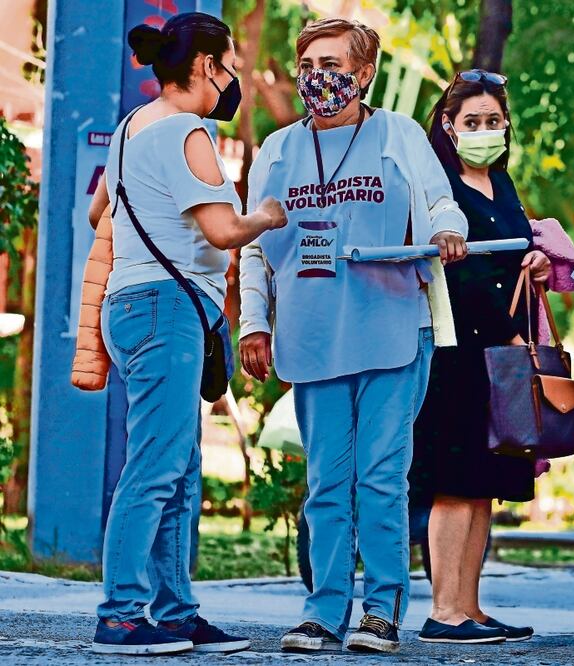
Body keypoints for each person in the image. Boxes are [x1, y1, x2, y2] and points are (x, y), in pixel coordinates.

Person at [237, 18, 468, 655]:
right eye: (308, 64)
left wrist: (447, 232)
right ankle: (323, 611)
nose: (318, 77)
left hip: (392, 330)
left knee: (382, 479)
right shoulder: (279, 149)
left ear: (363, 74)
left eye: (332, 63)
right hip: (312, 337)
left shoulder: (396, 133)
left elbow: (440, 201)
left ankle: (382, 610)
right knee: (326, 484)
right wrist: (254, 323)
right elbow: (255, 247)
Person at [86, 12, 286, 655]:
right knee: (155, 465)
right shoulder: (188, 131)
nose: (232, 80)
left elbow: (99, 210)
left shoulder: (128, 130)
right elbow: (224, 232)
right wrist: (267, 214)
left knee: (178, 466)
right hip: (165, 308)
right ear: (205, 66)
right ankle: (120, 611)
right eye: (230, 66)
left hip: (134, 306)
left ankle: (174, 610)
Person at [408, 69, 552, 645]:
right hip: (460, 351)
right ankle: (443, 609)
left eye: (494, 121)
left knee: (487, 481)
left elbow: (516, 253)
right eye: (473, 122)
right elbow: (457, 273)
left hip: (506, 354)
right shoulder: (440, 190)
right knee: (454, 481)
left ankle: (471, 606)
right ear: (449, 126)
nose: (485, 130)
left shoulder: (504, 183)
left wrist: (537, 262)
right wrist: (506, 334)